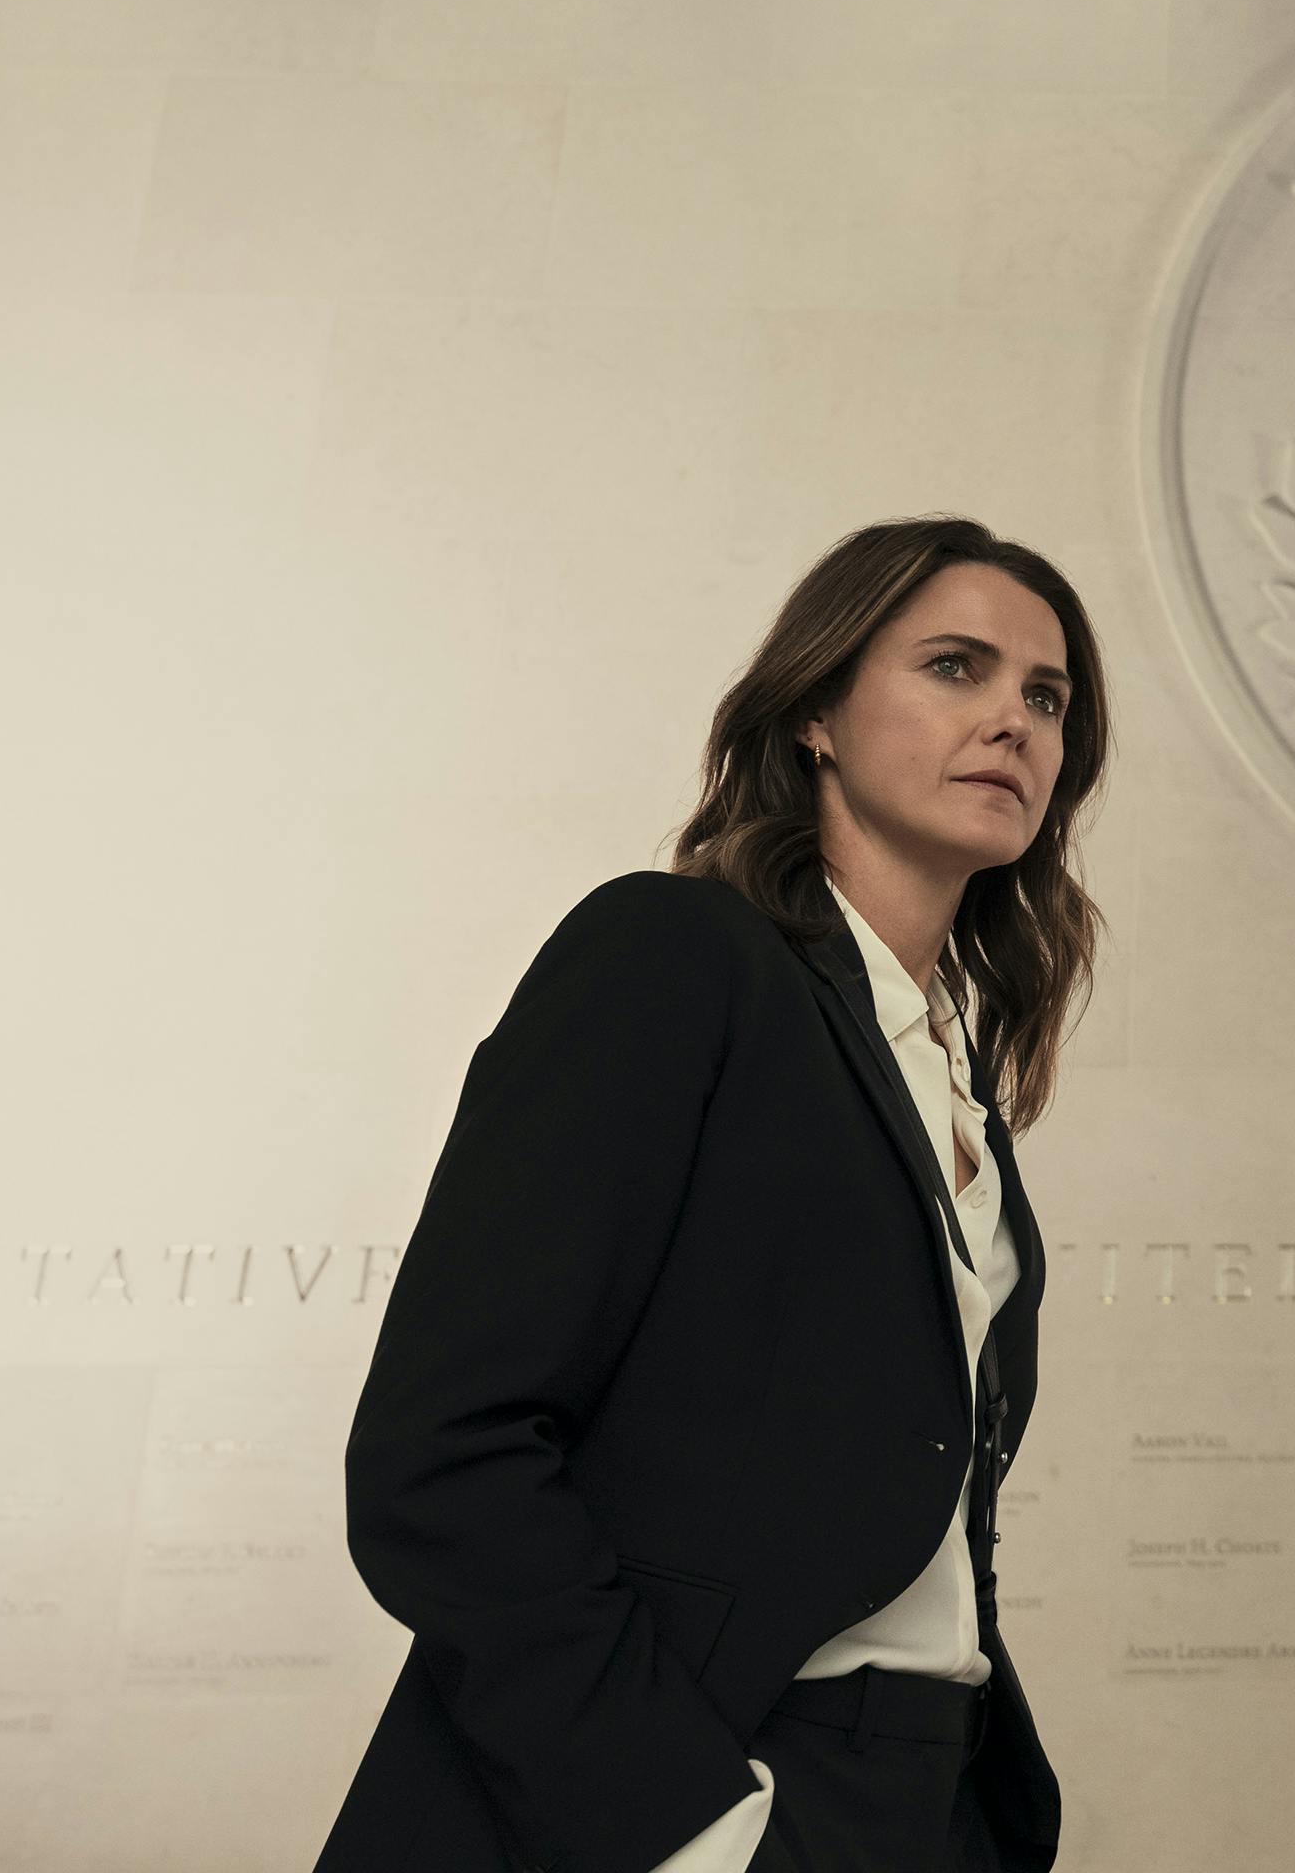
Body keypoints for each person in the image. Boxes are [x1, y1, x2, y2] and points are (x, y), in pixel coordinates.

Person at [313, 517, 1112, 1873]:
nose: (1014, 722)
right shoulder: (674, 959)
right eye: (955, 668)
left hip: (929, 1799)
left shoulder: (956, 1086)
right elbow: (443, 1458)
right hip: (685, 1791)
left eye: (1046, 695)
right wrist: (698, 1827)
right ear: (814, 713)